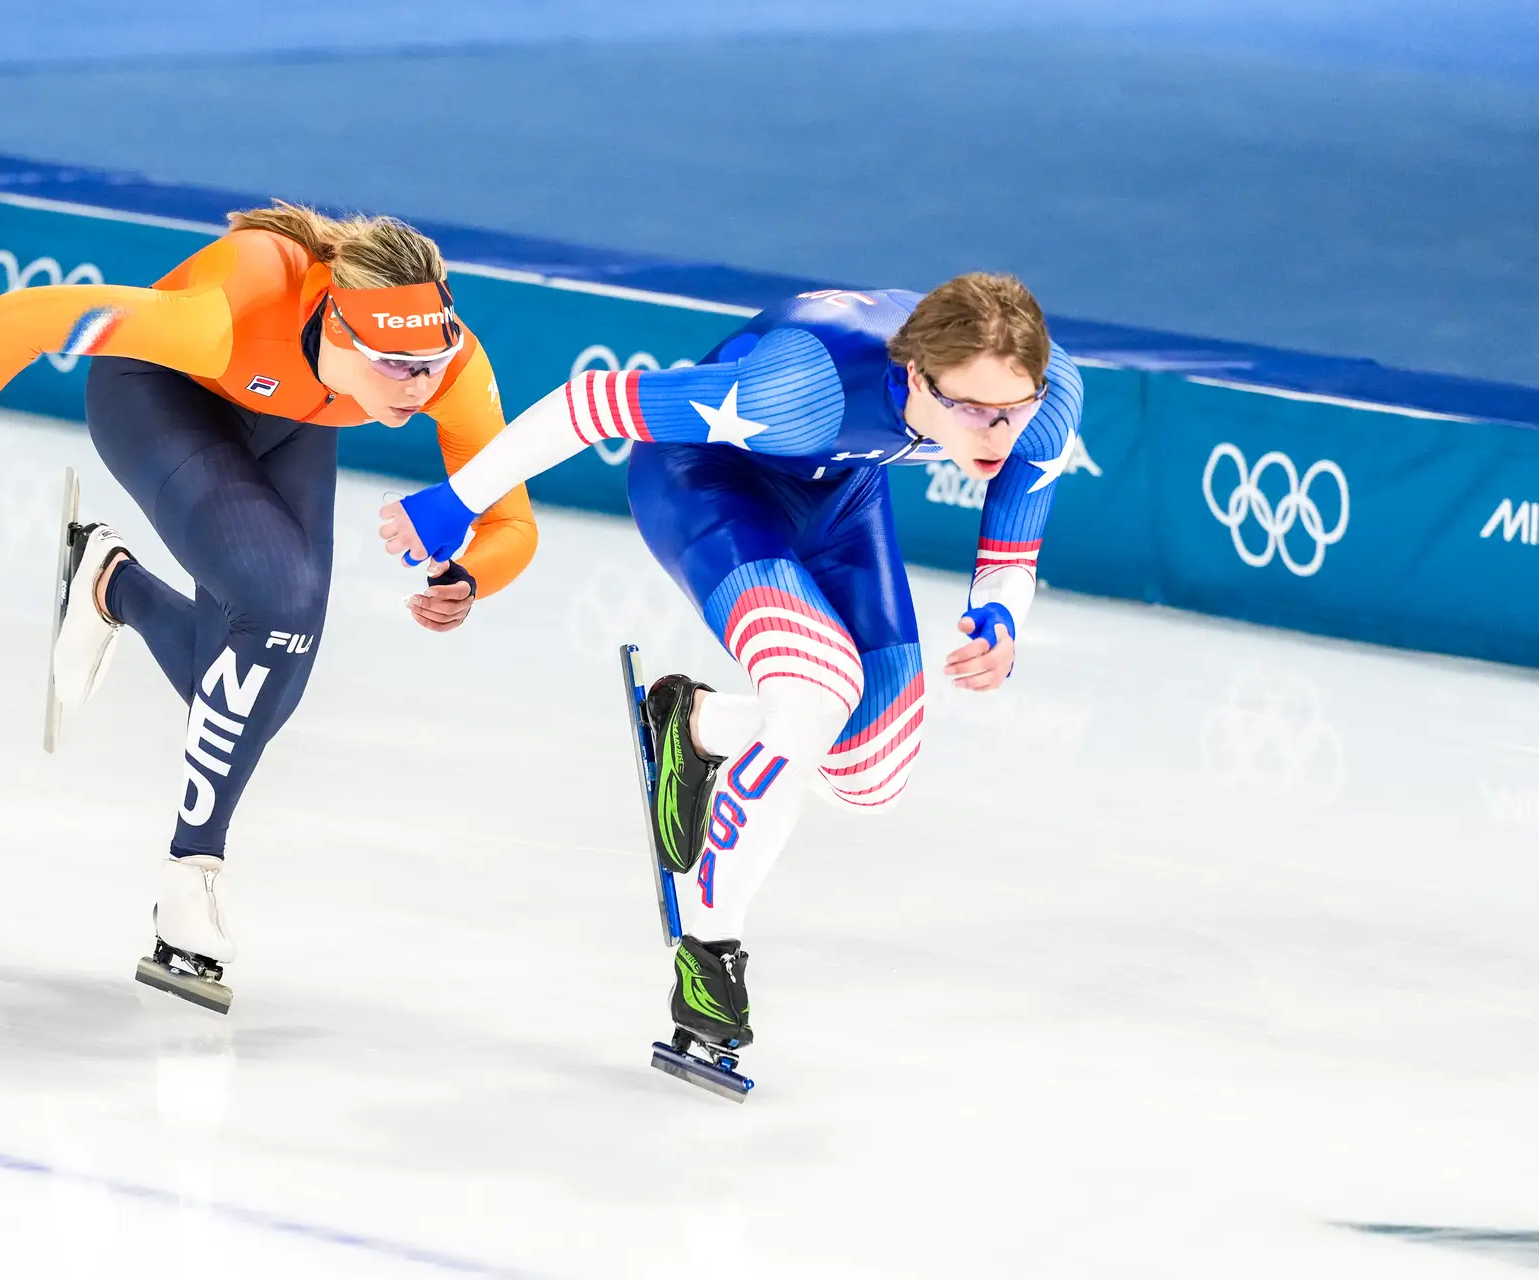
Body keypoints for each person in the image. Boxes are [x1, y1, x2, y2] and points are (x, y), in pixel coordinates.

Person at [379, 275, 1082, 1067]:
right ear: (916, 377)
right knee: (815, 693)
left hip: (838, 497)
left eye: (1012, 412)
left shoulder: (1046, 395)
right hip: (707, 483)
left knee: (871, 775)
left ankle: (695, 723)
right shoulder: (799, 388)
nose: (997, 434)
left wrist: (1001, 614)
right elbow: (591, 402)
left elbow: (1012, 549)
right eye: (975, 412)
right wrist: (455, 500)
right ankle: (709, 955)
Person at [0, 202, 537, 1010]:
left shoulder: (446, 369)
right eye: (396, 365)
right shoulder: (233, 305)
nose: (421, 385)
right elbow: (22, 318)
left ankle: (111, 583)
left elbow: (512, 523)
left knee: (266, 685)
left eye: (431, 362)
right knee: (279, 605)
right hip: (158, 401)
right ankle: (192, 879)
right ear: (337, 329)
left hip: (289, 422)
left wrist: (470, 577)